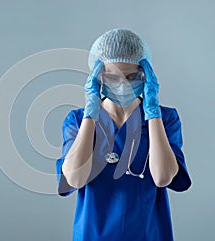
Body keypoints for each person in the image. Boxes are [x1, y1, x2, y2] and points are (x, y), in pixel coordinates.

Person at [55, 28, 192, 241]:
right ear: (97, 76)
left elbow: (163, 177)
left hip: (149, 235)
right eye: (111, 77)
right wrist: (90, 115)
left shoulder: (165, 119)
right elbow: (73, 179)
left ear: (145, 75)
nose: (122, 85)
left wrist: (152, 111)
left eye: (132, 76)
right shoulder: (77, 121)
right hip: (93, 235)